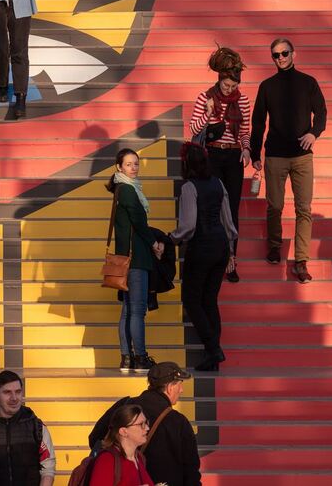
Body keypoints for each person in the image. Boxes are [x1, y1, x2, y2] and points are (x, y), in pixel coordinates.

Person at [251, 38, 327, 283]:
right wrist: (254, 154)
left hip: (303, 157)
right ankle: (274, 246)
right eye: (276, 55)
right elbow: (258, 122)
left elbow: (322, 113)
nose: (281, 58)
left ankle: (301, 260)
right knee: (275, 205)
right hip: (275, 155)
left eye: (284, 53)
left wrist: (313, 133)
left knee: (304, 209)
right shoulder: (266, 86)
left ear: (294, 54)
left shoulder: (308, 83)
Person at [169, 143, 237, 371]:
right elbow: (228, 220)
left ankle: (213, 348)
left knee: (191, 299)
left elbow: (188, 226)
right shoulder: (218, 183)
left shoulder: (190, 187)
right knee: (209, 300)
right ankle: (213, 355)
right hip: (220, 247)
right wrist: (231, 249)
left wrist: (172, 238)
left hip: (201, 247)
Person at [188, 46, 251, 282]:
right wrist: (207, 113)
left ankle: (231, 260)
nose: (229, 89)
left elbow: (245, 132)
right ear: (219, 79)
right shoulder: (206, 97)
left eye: (234, 86)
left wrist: (246, 149)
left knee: (232, 210)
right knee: (212, 207)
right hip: (211, 156)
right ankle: (211, 257)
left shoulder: (243, 102)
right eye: (226, 85)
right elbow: (193, 129)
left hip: (233, 158)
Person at [89, 362, 199, 486]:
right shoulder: (179, 422)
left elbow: (94, 439)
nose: (182, 390)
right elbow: (192, 472)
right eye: (180, 385)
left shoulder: (124, 405)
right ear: (170, 387)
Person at [106, 148, 163, 373]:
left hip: (126, 258)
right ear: (119, 167)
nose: (133, 168)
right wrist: (154, 244)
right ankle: (139, 357)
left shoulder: (123, 189)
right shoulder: (128, 190)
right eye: (129, 164)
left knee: (128, 310)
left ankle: (126, 358)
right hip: (136, 259)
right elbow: (139, 222)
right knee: (137, 310)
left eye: (136, 164)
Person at [0, 370, 55, 486]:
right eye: (7, 392)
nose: (14, 398)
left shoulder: (37, 427)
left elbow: (48, 468)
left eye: (18, 392)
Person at [87, 403, 155, 486]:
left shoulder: (139, 458)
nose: (147, 428)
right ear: (123, 431)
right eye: (141, 424)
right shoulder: (107, 460)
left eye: (146, 423)